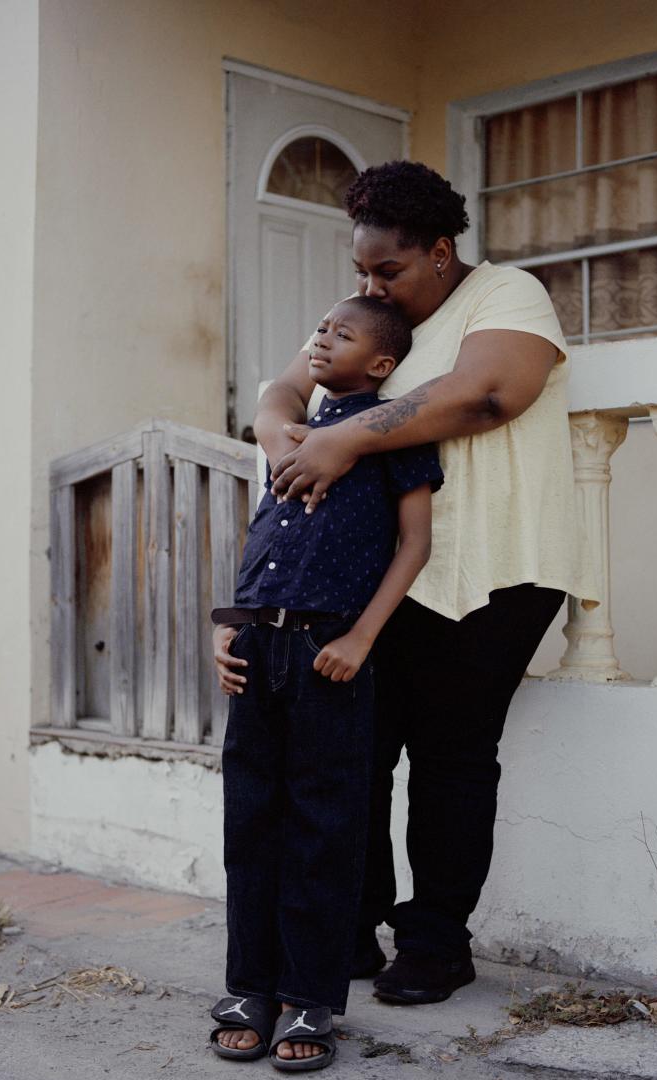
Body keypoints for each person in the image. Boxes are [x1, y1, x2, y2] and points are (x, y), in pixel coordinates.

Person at [217, 160, 600, 1006]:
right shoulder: (373, 318)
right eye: (360, 271)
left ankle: (434, 944)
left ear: (438, 250)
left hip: (495, 565)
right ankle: (347, 934)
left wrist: (346, 440)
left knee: (452, 758)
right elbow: (284, 389)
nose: (370, 285)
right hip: (371, 578)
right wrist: (288, 436)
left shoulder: (506, 294)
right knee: (355, 758)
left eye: (387, 270)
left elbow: (488, 393)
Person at [208, 295, 443, 1070]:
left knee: (323, 826)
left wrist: (362, 635)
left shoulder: (392, 433)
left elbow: (413, 545)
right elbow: (266, 532)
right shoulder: (293, 432)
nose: (321, 339)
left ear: (380, 364)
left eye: (341, 334)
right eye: (319, 329)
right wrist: (229, 623)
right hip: (258, 646)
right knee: (251, 821)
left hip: (327, 654)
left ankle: (311, 998)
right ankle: (251, 987)